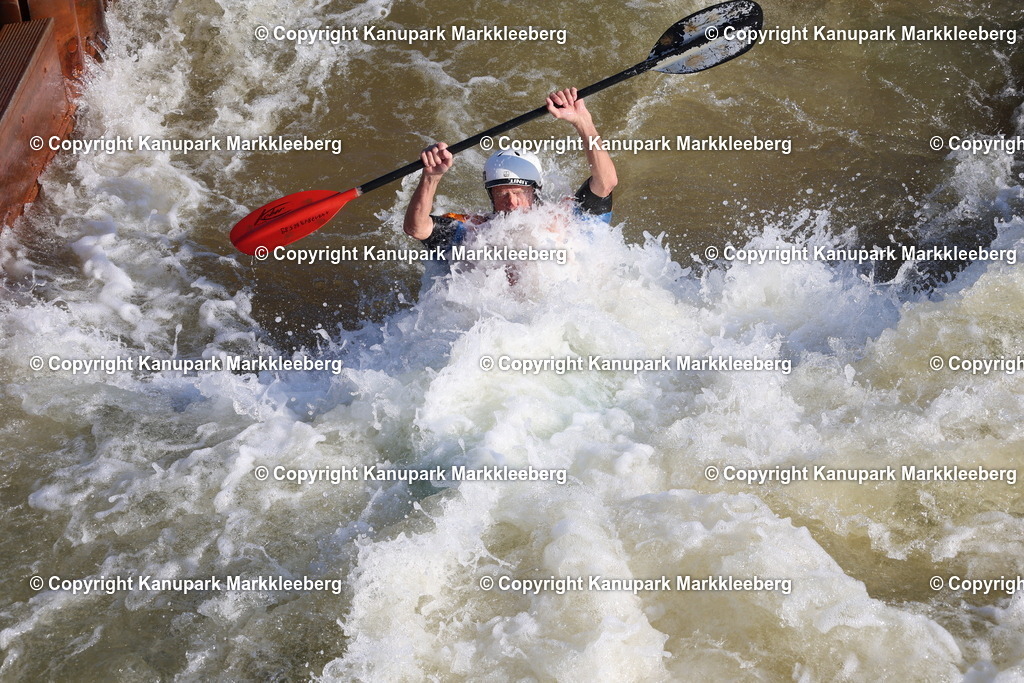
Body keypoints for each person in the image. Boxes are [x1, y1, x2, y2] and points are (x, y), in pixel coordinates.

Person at [403, 87, 618, 259]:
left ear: (535, 191)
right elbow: (417, 228)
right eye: (502, 195)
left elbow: (605, 182)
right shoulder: (473, 232)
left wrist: (583, 122)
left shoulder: (567, 221)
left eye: (518, 192)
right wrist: (431, 177)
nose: (512, 202)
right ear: (491, 196)